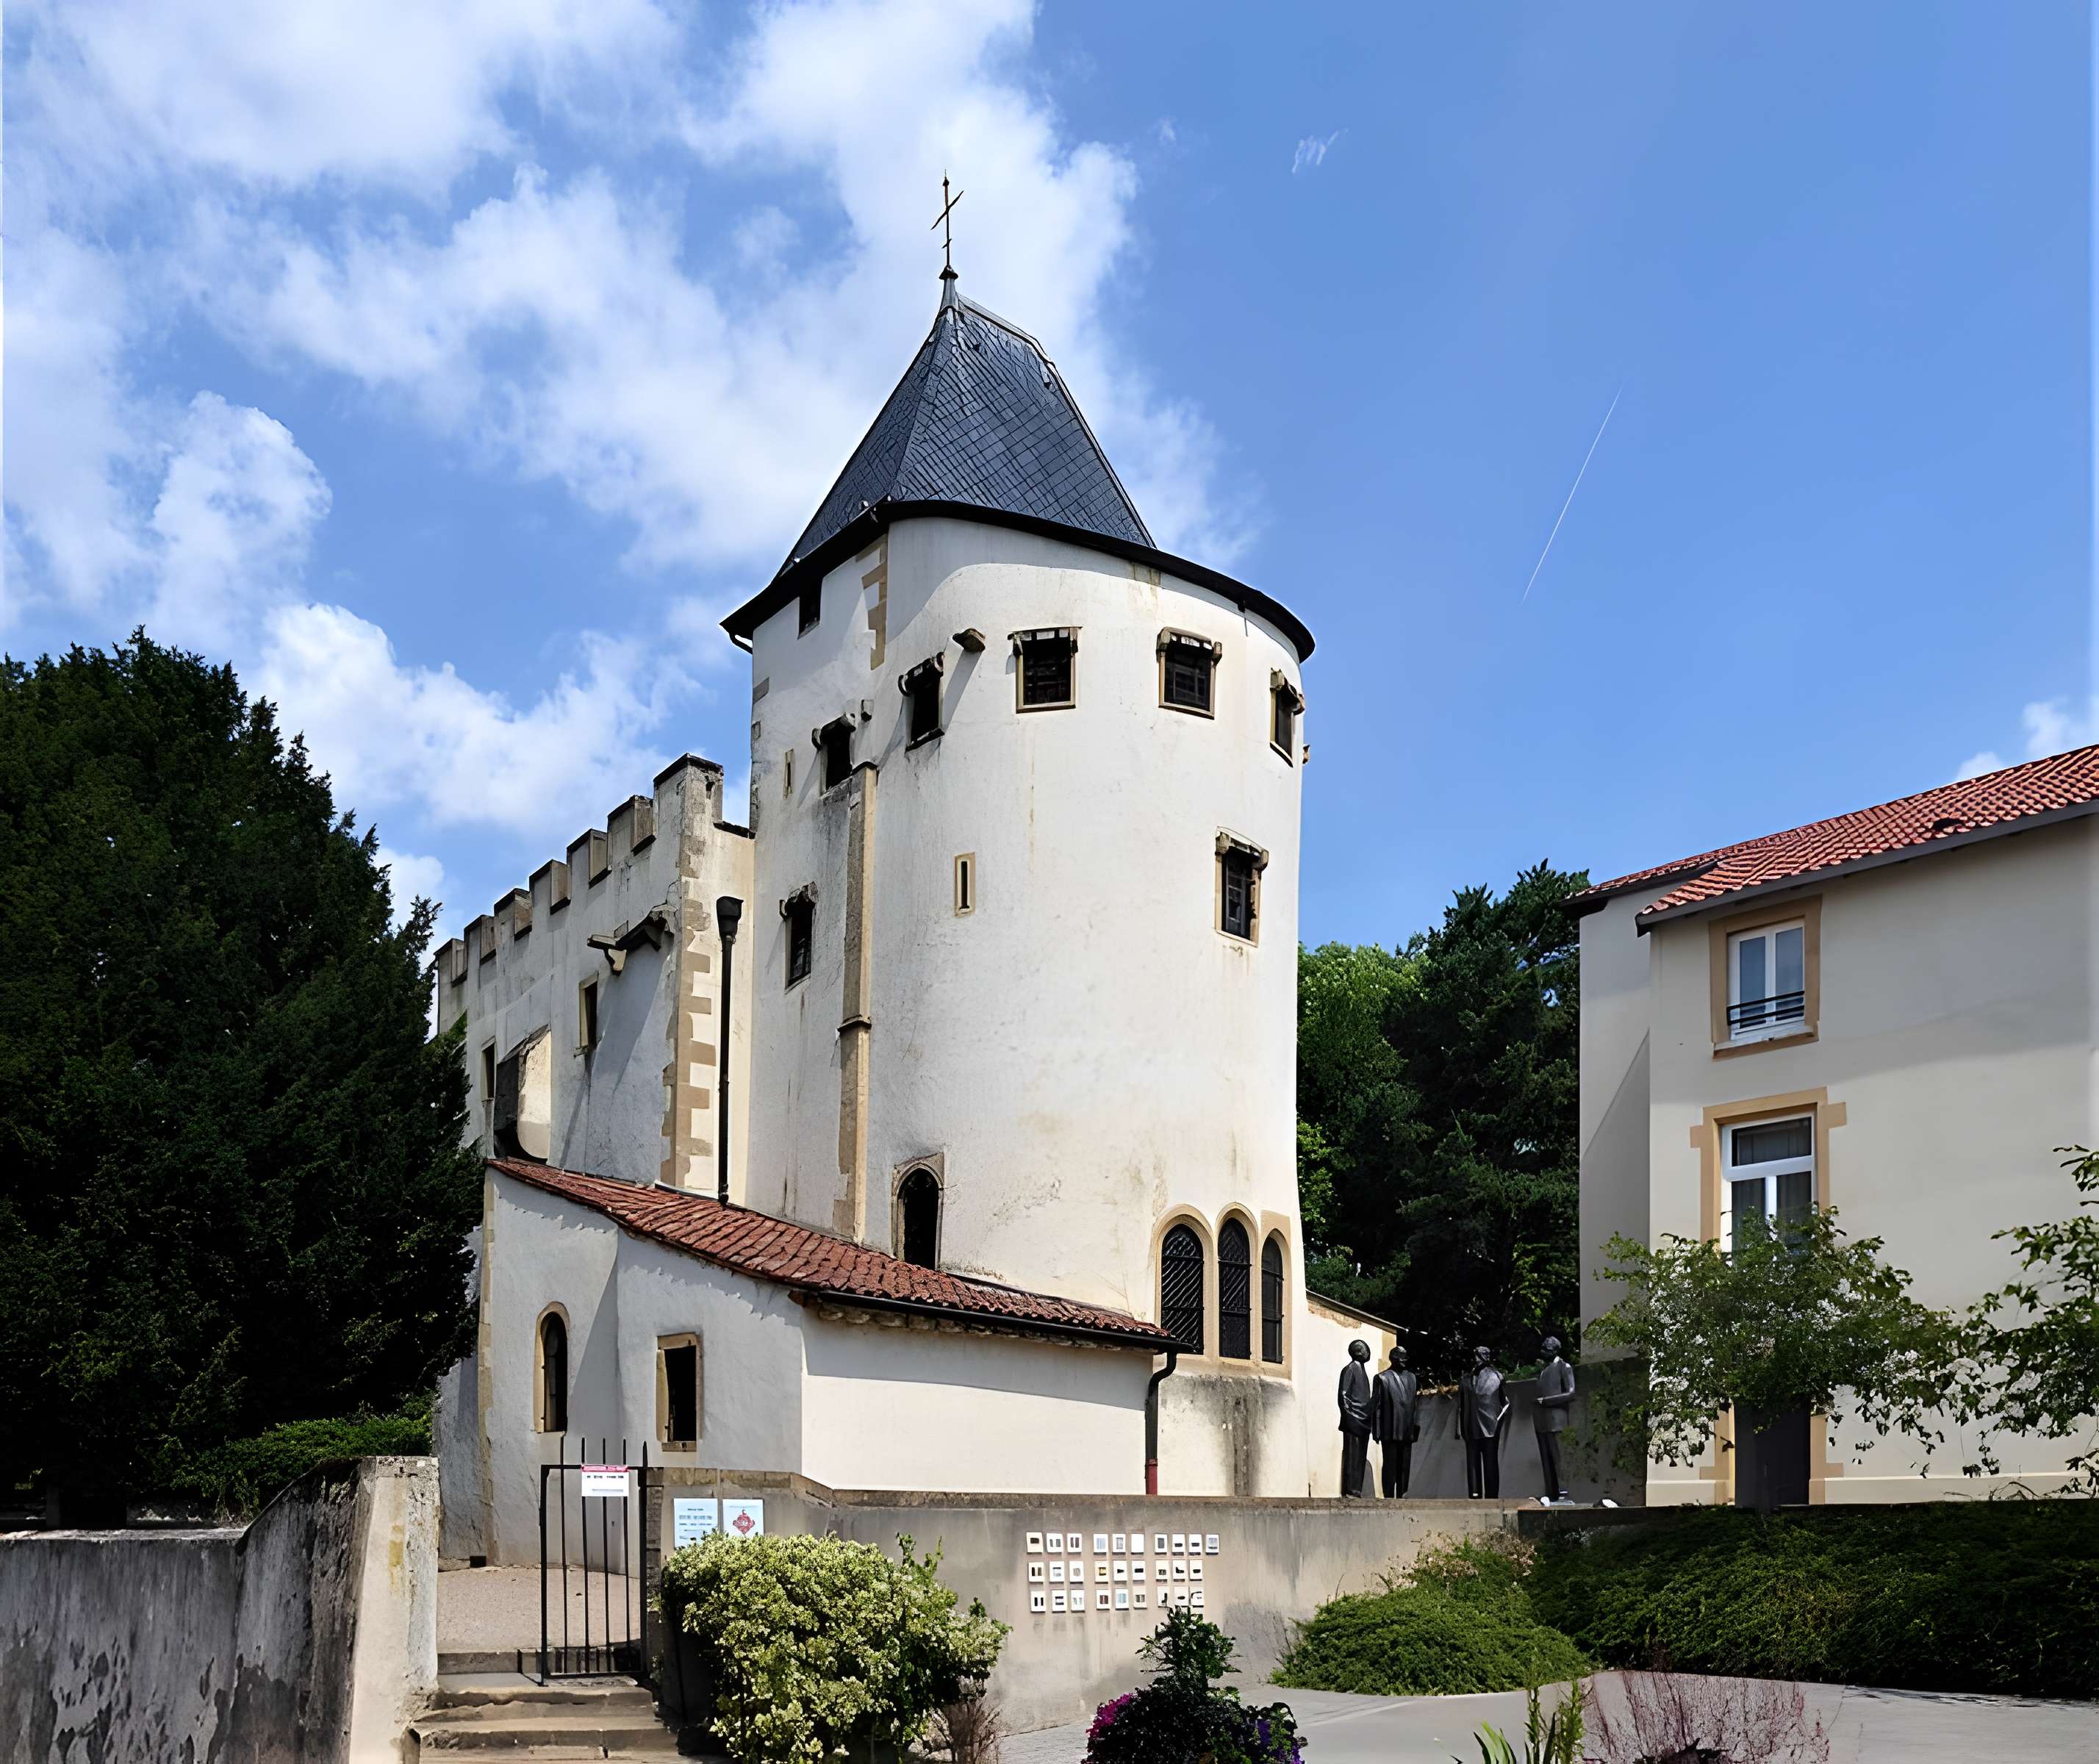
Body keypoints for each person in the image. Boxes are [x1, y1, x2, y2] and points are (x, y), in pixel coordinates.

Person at [1457, 1344, 1510, 1499]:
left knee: (1490, 1464)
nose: (1476, 1359)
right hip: (1471, 1427)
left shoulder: (1497, 1376)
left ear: (1486, 1358)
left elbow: (1506, 1404)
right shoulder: (1466, 1380)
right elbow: (1461, 1406)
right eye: (1476, 1356)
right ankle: (1474, 1496)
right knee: (1472, 1466)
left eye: (1480, 1356)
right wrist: (1461, 1428)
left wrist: (1498, 1424)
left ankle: (1492, 1497)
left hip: (1491, 1428)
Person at [1370, 1345, 1421, 1498]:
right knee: (1390, 1465)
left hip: (1406, 1429)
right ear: (1393, 1359)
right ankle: (1389, 1496)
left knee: (1404, 1466)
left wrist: (1415, 1427)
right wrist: (1377, 1431)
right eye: (1400, 1357)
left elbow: (1415, 1405)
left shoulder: (1412, 1378)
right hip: (1389, 1429)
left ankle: (1402, 1494)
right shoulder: (1382, 1378)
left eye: (1405, 1357)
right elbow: (1376, 1407)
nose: (1404, 1361)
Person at [1534, 1335, 1576, 1502]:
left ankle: (1563, 1494)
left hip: (1557, 1421)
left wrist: (1547, 1401)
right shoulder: (1544, 1370)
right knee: (1547, 1460)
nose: (1543, 1351)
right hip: (1542, 1422)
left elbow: (1571, 1393)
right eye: (1543, 1348)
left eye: (1547, 1348)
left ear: (1556, 1350)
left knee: (1560, 1460)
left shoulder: (1564, 1367)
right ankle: (1551, 1494)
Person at [1336, 1338, 1374, 1497]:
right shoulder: (1350, 1369)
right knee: (1352, 1457)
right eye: (1366, 1350)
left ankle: (1357, 1489)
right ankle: (1351, 1490)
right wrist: (1351, 1417)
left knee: (1360, 1457)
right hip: (1354, 1421)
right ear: (1360, 1352)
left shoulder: (1362, 1371)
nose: (1368, 1353)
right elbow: (1344, 1396)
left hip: (1363, 1421)